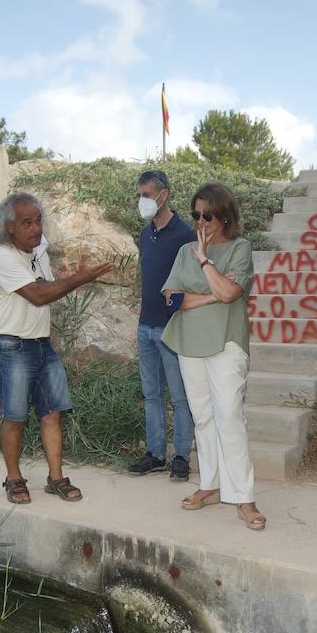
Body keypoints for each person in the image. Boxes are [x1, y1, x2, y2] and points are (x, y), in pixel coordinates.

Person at [0, 193, 113, 504]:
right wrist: (79, 280)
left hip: (41, 342)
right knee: (14, 416)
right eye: (26, 222)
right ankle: (14, 479)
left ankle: (56, 478)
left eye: (38, 220)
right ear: (9, 228)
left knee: (52, 412)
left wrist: (69, 279)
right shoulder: (1, 256)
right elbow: (38, 295)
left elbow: (47, 287)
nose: (35, 228)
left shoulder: (37, 252)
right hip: (11, 345)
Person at [161, 182, 266, 530]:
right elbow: (172, 300)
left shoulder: (240, 248)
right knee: (202, 416)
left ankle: (243, 497)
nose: (200, 222)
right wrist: (210, 296)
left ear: (223, 217)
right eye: (195, 215)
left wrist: (205, 262)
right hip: (189, 342)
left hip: (226, 343)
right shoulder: (182, 251)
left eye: (207, 215)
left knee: (230, 417)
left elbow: (231, 291)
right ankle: (209, 485)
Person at [128, 169, 197, 481]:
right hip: (145, 327)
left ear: (163, 195)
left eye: (146, 195)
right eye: (139, 195)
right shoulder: (145, 234)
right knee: (152, 395)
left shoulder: (185, 235)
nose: (142, 200)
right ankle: (156, 454)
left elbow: (194, 281)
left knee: (180, 397)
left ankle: (181, 455)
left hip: (173, 328)